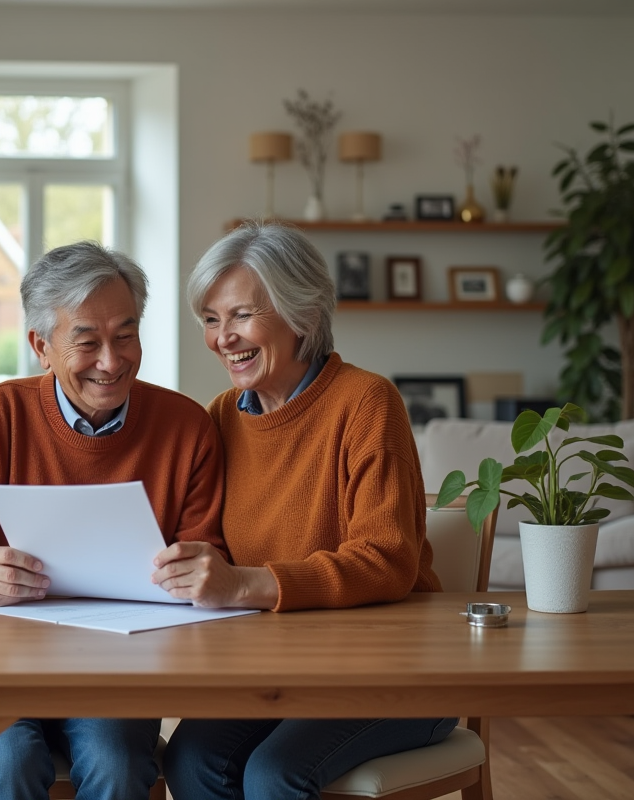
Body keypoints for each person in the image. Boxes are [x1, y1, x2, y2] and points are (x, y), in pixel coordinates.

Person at [0, 240, 226, 800]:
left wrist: (196, 570)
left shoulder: (186, 427)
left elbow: (208, 556)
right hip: (8, 661)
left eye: (125, 335)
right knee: (11, 761)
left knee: (118, 767)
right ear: (42, 346)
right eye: (86, 342)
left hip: (120, 666)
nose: (111, 362)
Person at [151, 221, 453, 800]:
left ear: (302, 314)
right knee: (189, 761)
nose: (222, 339)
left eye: (240, 316)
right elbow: (211, 544)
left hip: (396, 673)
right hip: (280, 675)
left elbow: (389, 559)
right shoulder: (220, 416)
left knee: (273, 773)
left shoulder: (366, 402)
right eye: (211, 321)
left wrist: (247, 585)